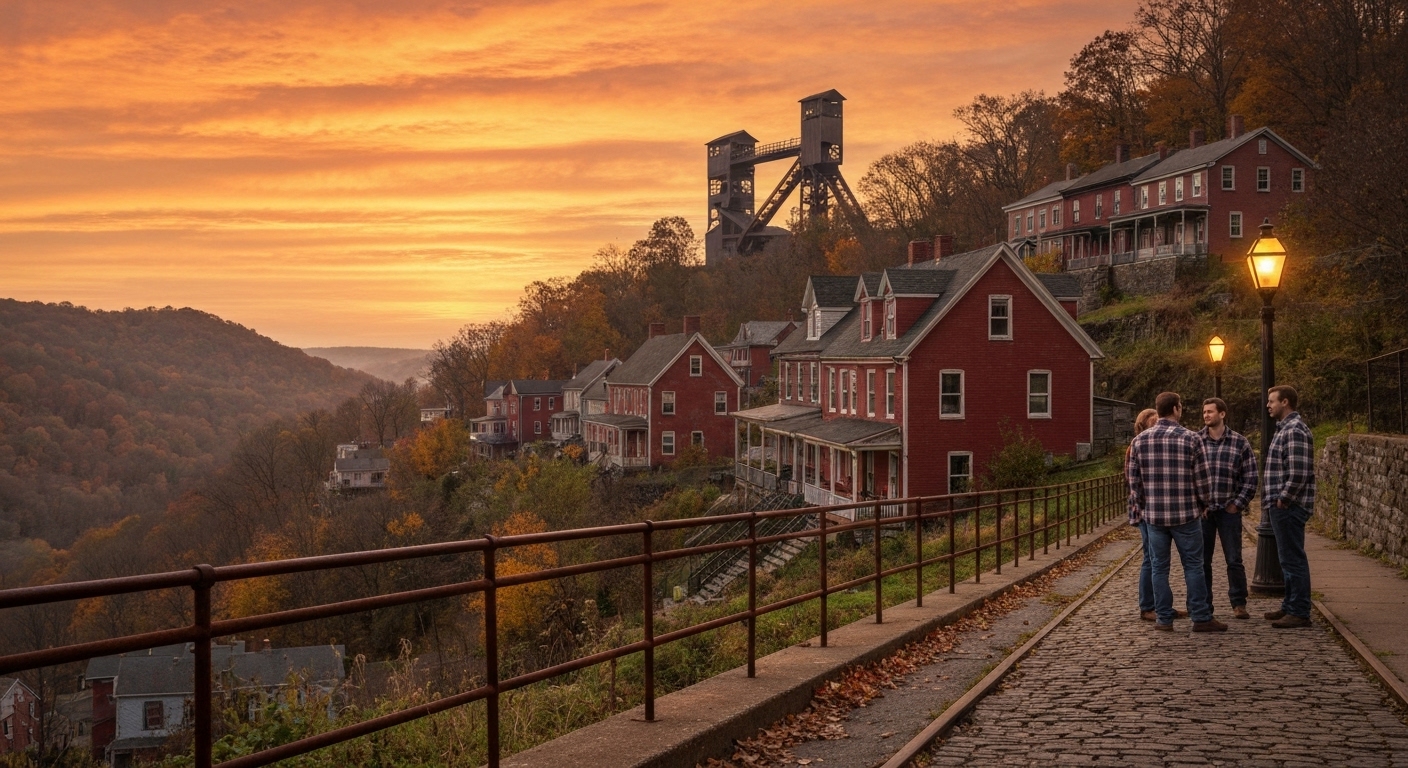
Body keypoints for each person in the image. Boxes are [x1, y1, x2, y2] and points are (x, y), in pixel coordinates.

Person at [1126, 392, 1224, 632]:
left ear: (1158, 411)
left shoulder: (1139, 442)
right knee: (1193, 565)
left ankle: (1163, 619)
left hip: (1154, 517)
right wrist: (1203, 505)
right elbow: (1203, 481)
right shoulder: (1191, 439)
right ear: (1177, 408)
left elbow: (1134, 483)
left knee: (1159, 567)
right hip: (1186, 515)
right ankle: (1201, 617)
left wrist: (1143, 507)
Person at [1198, 398, 1258, 619]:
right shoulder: (1196, 441)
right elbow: (1189, 477)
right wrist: (1198, 504)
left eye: (1210, 412)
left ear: (1222, 414)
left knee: (1234, 559)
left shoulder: (1239, 443)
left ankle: (1239, 603)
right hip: (1204, 512)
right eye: (1204, 412)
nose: (1206, 416)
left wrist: (1238, 504)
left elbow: (1250, 477)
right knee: (1202, 561)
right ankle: (1204, 605)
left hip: (1228, 510)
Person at [1263, 385, 1316, 628]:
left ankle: (1299, 610)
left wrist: (1283, 498)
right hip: (1283, 505)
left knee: (1293, 558)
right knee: (1287, 558)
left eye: (1272, 401)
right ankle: (1290, 604)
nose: (1268, 405)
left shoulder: (1294, 430)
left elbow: (1299, 473)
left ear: (1285, 402)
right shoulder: (1284, 429)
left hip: (1289, 506)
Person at [1129, 408, 1177, 622]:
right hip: (1145, 510)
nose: (1158, 424)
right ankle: (1148, 606)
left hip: (1155, 508)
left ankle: (1160, 604)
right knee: (1151, 558)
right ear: (1143, 425)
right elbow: (1133, 482)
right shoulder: (1136, 446)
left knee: (1157, 559)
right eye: (1153, 421)